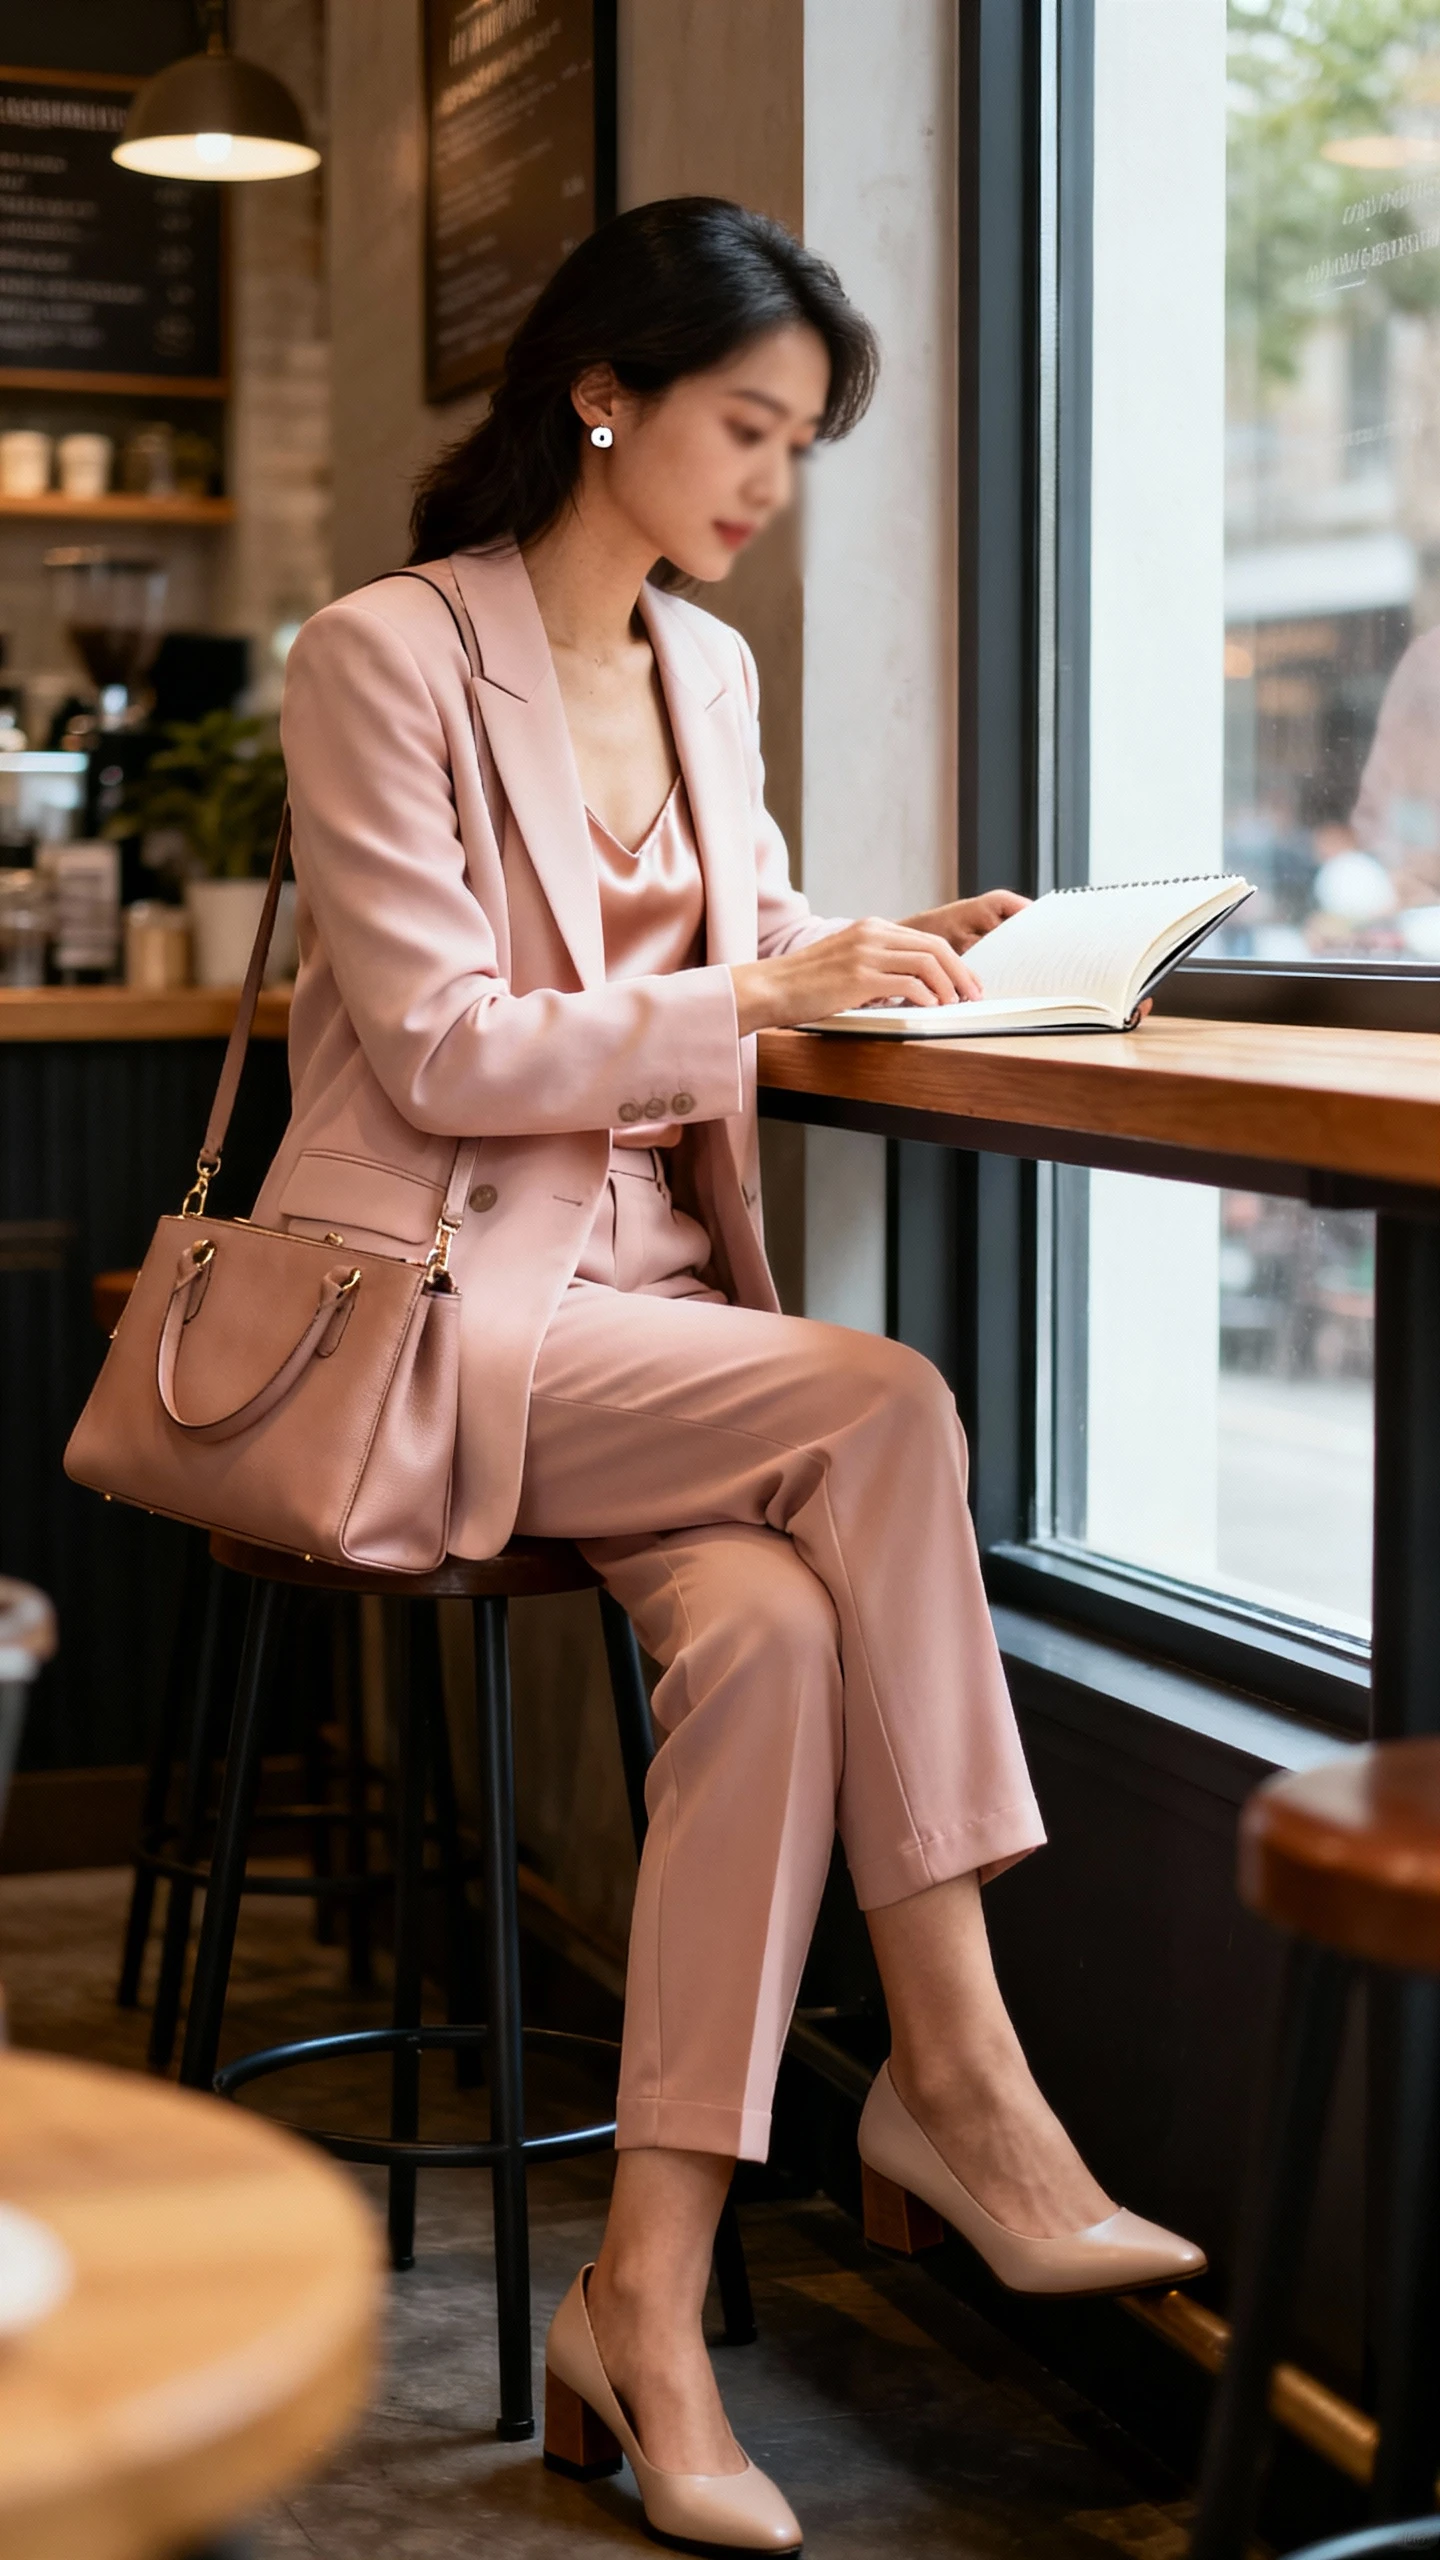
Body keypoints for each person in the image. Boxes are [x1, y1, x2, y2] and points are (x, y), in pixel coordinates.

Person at [257, 197, 1203, 2558]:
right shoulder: (381, 656)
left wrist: (889, 952)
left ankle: (643, 2312)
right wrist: (756, 1001)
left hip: (663, 1325)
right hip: (462, 1313)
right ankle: (960, 2077)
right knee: (879, 1400)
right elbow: (453, 1042)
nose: (774, 480)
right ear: (606, 391)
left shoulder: (710, 673)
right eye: (748, 425)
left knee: (775, 1640)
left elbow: (728, 940)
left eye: (801, 443)